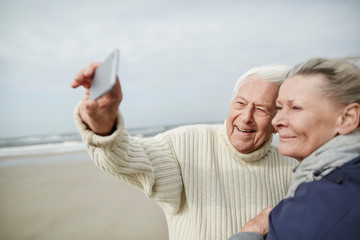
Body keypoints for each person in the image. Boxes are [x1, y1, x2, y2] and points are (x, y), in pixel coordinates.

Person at [71, 61, 297, 240]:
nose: (246, 117)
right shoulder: (185, 144)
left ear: (277, 120)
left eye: (260, 109)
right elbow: (129, 158)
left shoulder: (293, 170)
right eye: (240, 103)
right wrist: (103, 129)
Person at [229, 57, 360, 240]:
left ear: (347, 118)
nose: (277, 121)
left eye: (296, 108)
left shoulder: (321, 206)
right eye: (279, 108)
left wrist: (250, 232)